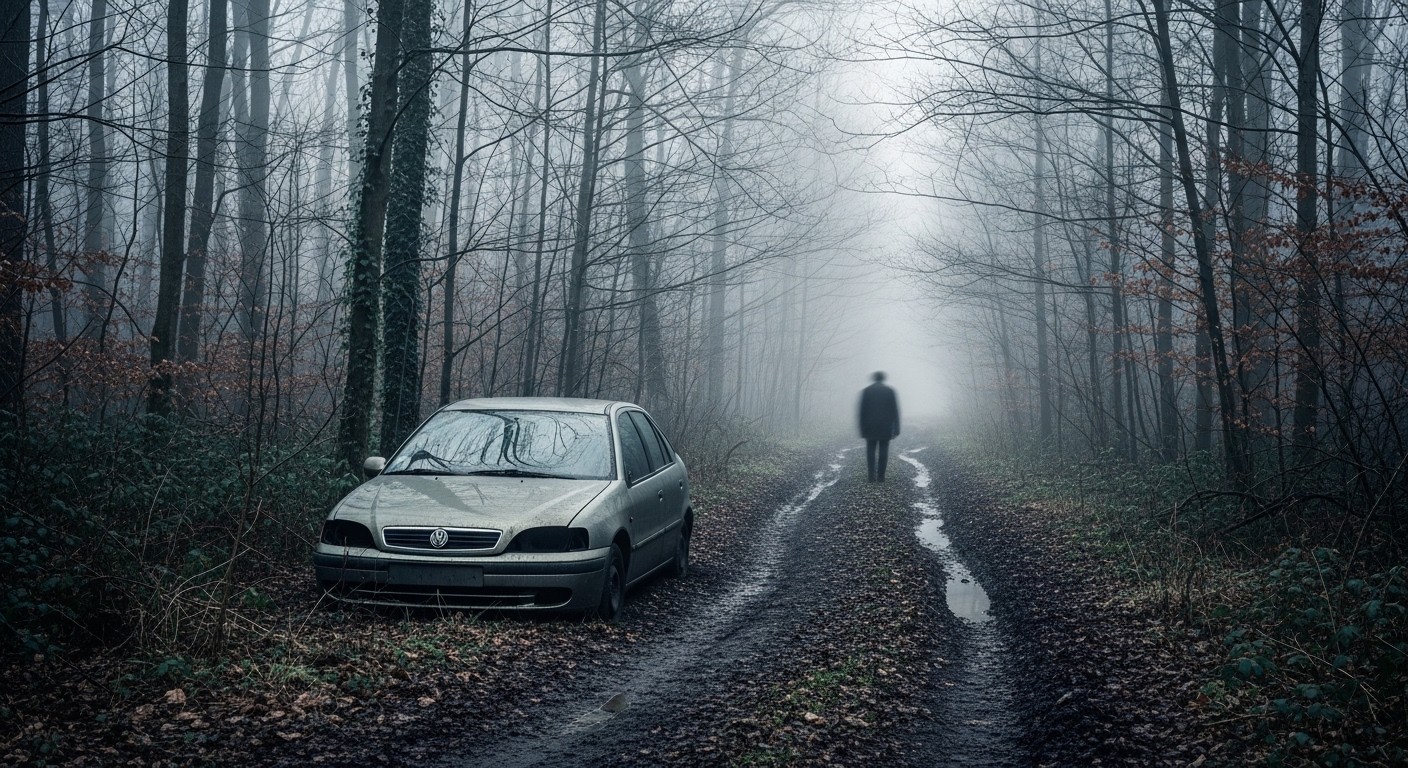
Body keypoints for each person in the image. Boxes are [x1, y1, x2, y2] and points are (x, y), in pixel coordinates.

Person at [858, 371, 900, 482]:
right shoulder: (890, 391)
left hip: (869, 426)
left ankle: (871, 476)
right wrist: (896, 428)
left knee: (870, 451)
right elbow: (895, 411)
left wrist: (862, 428)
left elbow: (862, 412)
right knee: (884, 450)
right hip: (885, 426)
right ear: (883, 379)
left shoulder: (866, 391)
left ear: (874, 378)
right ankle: (881, 476)